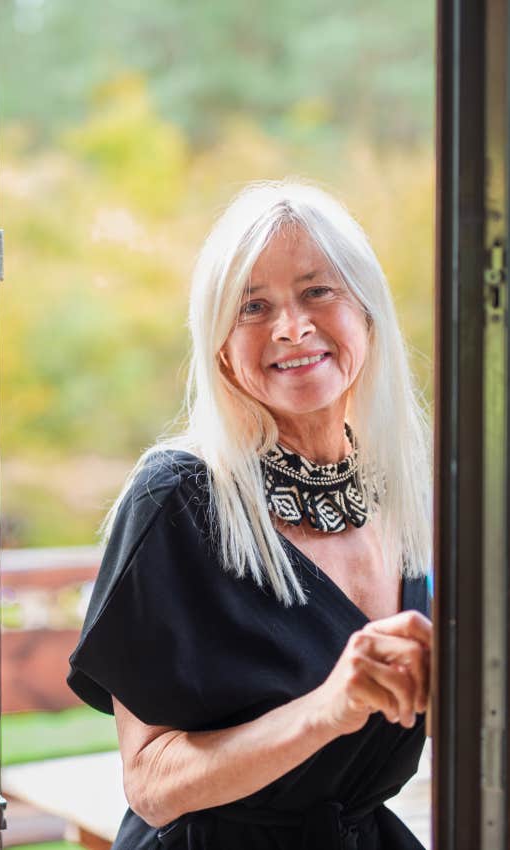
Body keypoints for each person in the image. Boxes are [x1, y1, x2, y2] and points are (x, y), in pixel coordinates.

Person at [67, 180, 433, 850]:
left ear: (368, 310)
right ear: (222, 353)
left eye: (317, 290)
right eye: (253, 306)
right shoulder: (175, 501)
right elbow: (150, 782)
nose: (291, 327)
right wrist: (330, 709)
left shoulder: (410, 492)